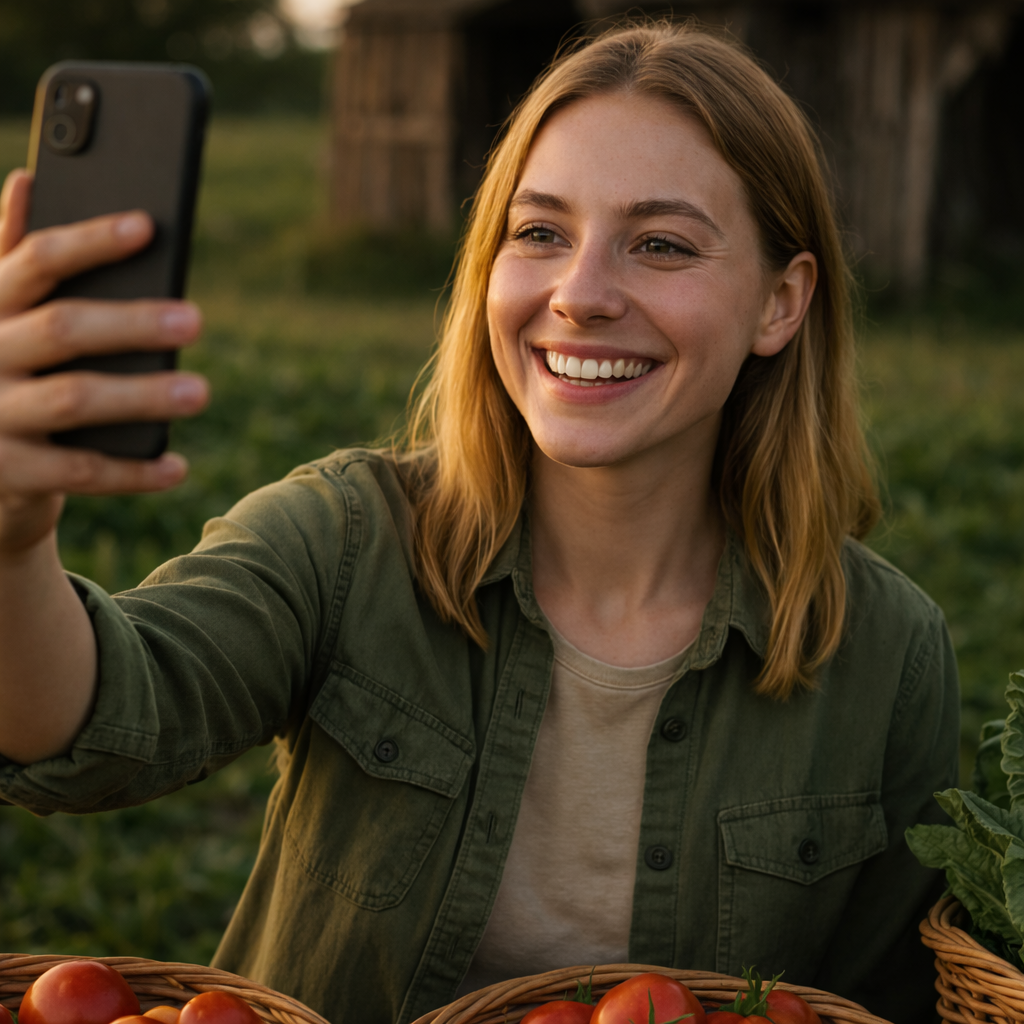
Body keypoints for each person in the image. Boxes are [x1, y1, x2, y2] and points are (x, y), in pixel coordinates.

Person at [0, 20, 958, 1024]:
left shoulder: (886, 655)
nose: (578, 295)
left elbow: (885, 1000)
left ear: (780, 302)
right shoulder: (346, 541)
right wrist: (15, 541)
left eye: (661, 244)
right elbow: (95, 720)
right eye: (539, 231)